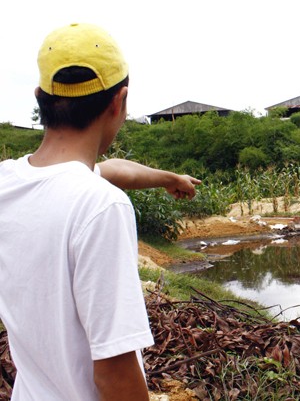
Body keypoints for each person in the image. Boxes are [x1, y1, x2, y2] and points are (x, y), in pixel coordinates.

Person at [0, 23, 197, 400]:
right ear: (118, 101)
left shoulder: (9, 182)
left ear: (40, 96)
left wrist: (170, 178)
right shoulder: (100, 206)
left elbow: (113, 169)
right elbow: (114, 372)